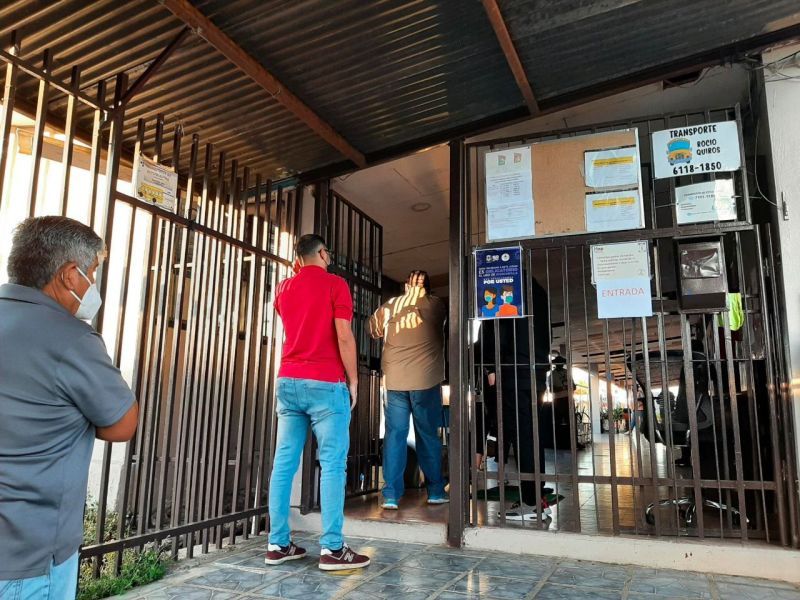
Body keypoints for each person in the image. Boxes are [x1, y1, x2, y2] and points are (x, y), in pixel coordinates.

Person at [0, 216, 138, 599]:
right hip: (30, 555)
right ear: (69, 275)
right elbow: (122, 424)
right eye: (92, 273)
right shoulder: (72, 338)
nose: (93, 283)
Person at [265, 234, 369, 571]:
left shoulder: (283, 288)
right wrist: (353, 381)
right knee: (333, 464)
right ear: (323, 253)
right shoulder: (336, 285)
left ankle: (278, 544)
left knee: (284, 462)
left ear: (298, 259)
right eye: (329, 253)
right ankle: (333, 548)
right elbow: (343, 335)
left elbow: (296, 323)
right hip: (325, 382)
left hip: (288, 380)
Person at [369, 270, 448, 510]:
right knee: (427, 436)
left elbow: (372, 330)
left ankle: (391, 495)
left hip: (394, 382)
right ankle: (435, 492)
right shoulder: (436, 305)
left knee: (395, 436)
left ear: (406, 286)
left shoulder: (391, 306)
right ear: (428, 288)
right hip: (426, 381)